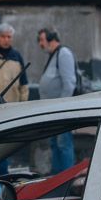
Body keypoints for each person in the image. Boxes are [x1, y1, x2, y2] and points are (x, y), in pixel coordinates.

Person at [37, 27, 77, 173]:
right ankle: (57, 177)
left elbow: (69, 84)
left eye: (41, 40)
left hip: (61, 111)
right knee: (55, 144)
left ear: (51, 39)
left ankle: (66, 177)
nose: (40, 44)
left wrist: (62, 108)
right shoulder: (53, 55)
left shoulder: (63, 54)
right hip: (52, 111)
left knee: (63, 144)